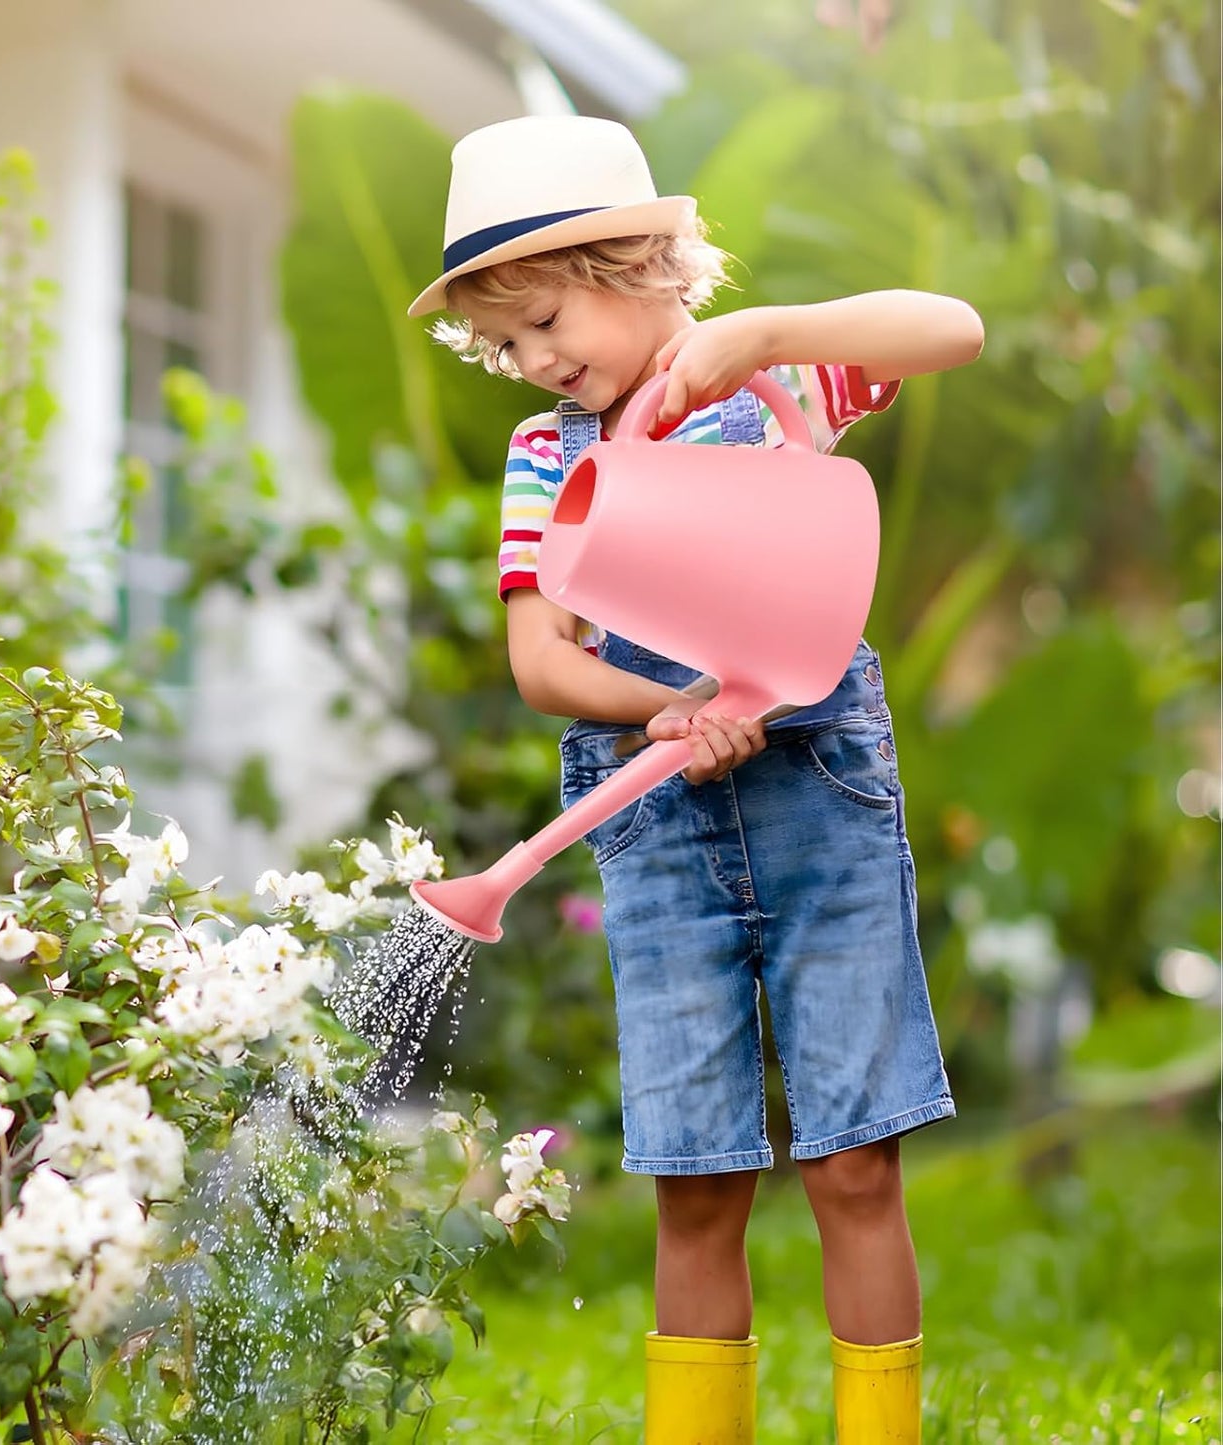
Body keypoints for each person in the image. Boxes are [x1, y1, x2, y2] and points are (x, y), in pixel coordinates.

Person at [407, 114, 984, 1445]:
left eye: (546, 318)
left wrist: (770, 333)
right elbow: (543, 658)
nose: (536, 360)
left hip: (818, 787)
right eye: (506, 345)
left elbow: (947, 324)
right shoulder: (545, 457)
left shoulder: (764, 386)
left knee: (852, 1158)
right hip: (657, 810)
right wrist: (666, 706)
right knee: (695, 1175)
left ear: (646, 263)